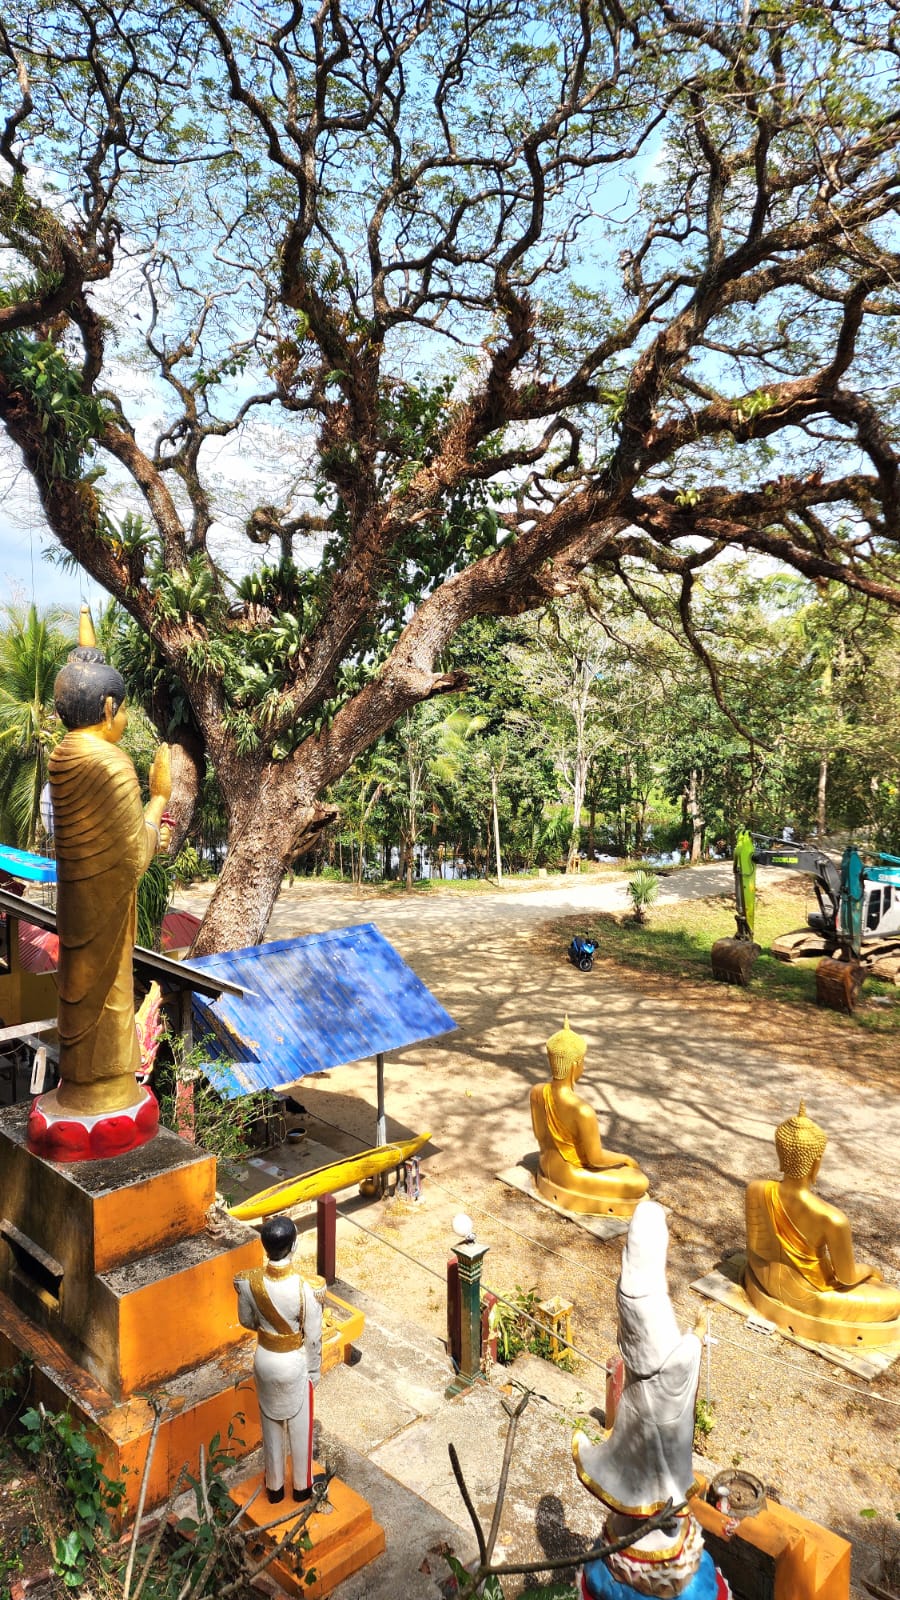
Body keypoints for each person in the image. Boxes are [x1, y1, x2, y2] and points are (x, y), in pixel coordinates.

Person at [27, 609, 171, 1159]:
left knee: (79, 998)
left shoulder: (63, 756)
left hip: (76, 913)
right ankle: (104, 1096)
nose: (125, 717)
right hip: (105, 918)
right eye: (125, 709)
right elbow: (134, 857)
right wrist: (158, 796)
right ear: (109, 708)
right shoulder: (110, 763)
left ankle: (85, 1093)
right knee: (109, 1004)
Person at [744, 1103, 900, 1342]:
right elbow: (846, 1278)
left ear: (780, 1153)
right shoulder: (831, 1218)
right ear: (816, 1162)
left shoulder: (757, 1189)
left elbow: (756, 1247)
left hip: (763, 1274)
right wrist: (870, 1270)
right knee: (895, 1299)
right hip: (808, 1296)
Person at [235, 1214, 324, 1503]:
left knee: (270, 1425)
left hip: (264, 1358)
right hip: (293, 1361)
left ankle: (274, 1487)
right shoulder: (305, 1287)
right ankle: (301, 1486)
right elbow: (312, 1335)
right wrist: (314, 1369)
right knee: (300, 1427)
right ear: (294, 1246)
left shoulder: (248, 1283)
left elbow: (247, 1321)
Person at [529, 1018, 649, 1215]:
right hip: (570, 1176)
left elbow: (540, 1135)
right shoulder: (581, 1110)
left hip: (546, 1163)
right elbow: (596, 1159)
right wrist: (626, 1159)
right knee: (639, 1182)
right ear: (576, 1065)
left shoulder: (537, 1092)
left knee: (627, 1174)